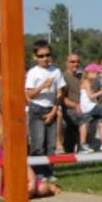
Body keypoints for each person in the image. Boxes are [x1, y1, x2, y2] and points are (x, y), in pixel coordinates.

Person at [24, 42, 65, 170]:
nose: (45, 58)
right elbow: (29, 94)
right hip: (36, 108)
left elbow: (60, 93)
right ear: (35, 57)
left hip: (51, 108)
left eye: (47, 55)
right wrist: (42, 86)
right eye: (41, 56)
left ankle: (49, 172)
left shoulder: (56, 71)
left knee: (51, 144)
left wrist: (54, 111)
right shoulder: (33, 72)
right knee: (38, 143)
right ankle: (37, 172)